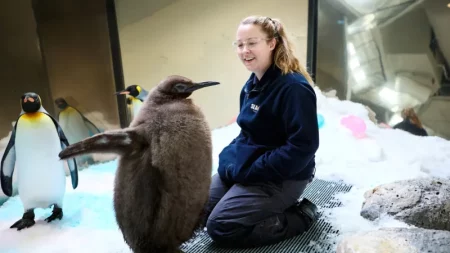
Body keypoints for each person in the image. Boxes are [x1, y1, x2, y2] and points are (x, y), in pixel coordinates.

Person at [203, 15, 320, 248]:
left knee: (222, 226)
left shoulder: (294, 88)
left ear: (271, 43)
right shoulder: (252, 84)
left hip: (285, 175)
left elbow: (302, 147)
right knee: (195, 210)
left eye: (252, 43)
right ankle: (249, 200)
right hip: (254, 168)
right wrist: (229, 159)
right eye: (240, 44)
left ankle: (301, 216)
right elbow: (247, 132)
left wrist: (252, 170)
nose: (244, 50)